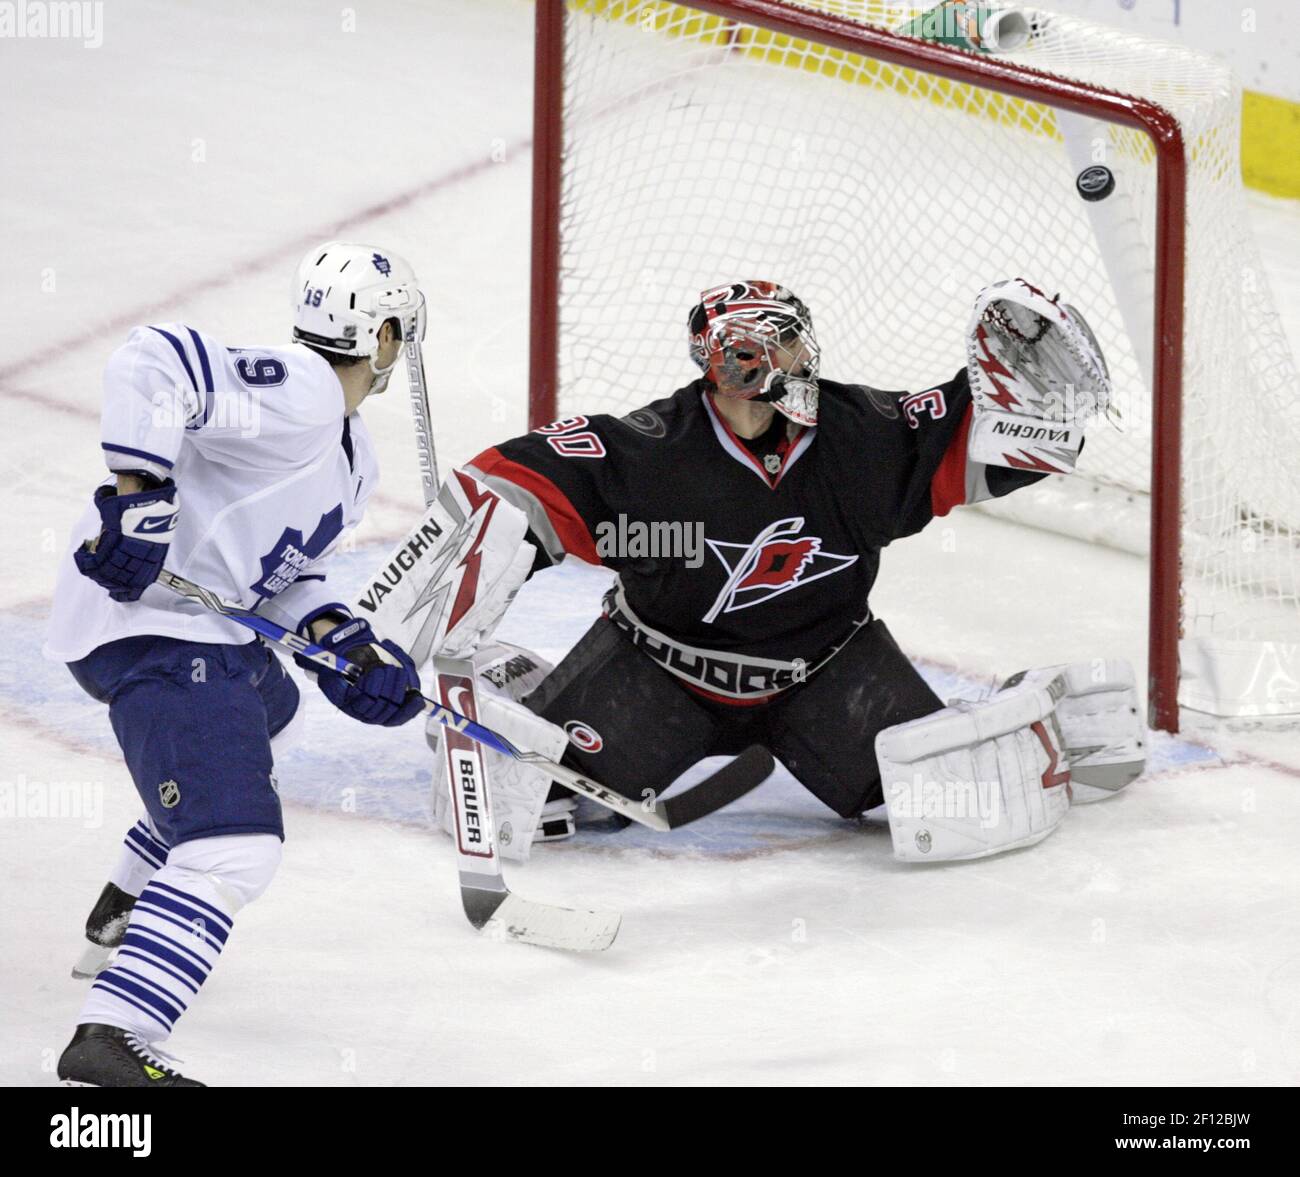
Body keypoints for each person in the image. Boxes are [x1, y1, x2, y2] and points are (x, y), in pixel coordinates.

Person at [398, 278, 1140, 862]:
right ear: (737, 360)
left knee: (961, 802)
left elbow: (983, 443)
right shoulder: (651, 455)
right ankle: (517, 682)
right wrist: (448, 590)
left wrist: (1030, 407)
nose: (799, 358)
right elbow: (510, 484)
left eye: (796, 342)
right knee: (520, 798)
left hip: (828, 672)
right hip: (657, 673)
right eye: (781, 345)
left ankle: (1036, 713)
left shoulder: (861, 439)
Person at [43, 241, 428, 1087]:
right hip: (148, 628)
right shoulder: (301, 392)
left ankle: (130, 901)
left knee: (275, 715)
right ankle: (111, 1034)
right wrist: (139, 493)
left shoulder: (352, 453)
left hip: (202, 630)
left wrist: (346, 641)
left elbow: (289, 576)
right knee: (236, 847)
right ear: (387, 335)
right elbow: (153, 361)